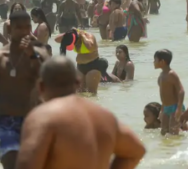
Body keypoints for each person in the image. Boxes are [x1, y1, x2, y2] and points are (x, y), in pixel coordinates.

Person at [15, 56, 146, 169]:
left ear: (41, 86)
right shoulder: (104, 116)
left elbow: (27, 165)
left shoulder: (42, 117)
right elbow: (136, 151)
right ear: (78, 82)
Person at [0, 11, 49, 169]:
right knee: (11, 164)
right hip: (5, 121)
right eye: (18, 28)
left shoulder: (41, 53)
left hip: (33, 120)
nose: (23, 32)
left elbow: (48, 80)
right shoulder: (2, 56)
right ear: (10, 30)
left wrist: (32, 56)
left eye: (27, 27)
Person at [56, 29, 104, 95]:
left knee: (91, 93)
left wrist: (83, 36)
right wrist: (68, 32)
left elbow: (90, 46)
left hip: (93, 66)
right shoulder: (72, 36)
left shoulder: (89, 36)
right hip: (80, 67)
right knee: (80, 93)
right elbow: (56, 39)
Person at [154, 49, 185, 136]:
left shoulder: (171, 74)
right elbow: (164, 95)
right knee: (163, 132)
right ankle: (166, 150)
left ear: (162, 61)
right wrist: (162, 109)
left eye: (155, 60)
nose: (153, 62)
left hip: (175, 107)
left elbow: (181, 91)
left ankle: (177, 147)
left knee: (173, 133)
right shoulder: (161, 76)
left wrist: (179, 109)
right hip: (166, 108)